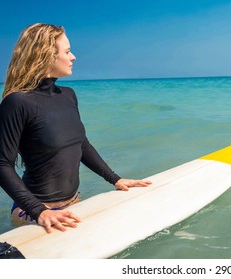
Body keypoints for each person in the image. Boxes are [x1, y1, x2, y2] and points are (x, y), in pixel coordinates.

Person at [0, 23, 151, 234]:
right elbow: (2, 164)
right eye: (68, 51)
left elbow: (81, 145)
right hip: (34, 212)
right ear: (45, 54)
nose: (74, 57)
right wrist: (39, 211)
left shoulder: (68, 95)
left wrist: (115, 179)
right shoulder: (17, 102)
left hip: (73, 203)